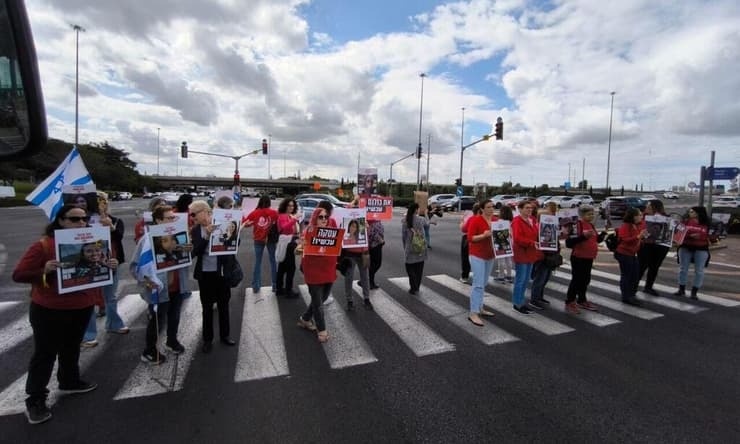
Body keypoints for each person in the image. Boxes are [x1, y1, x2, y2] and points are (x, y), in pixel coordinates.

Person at [13, 204, 108, 424]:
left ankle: (69, 380)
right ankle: (35, 398)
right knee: (45, 354)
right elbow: (19, 274)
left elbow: (97, 270)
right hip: (49, 309)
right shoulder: (44, 245)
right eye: (74, 219)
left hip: (81, 306)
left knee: (71, 347)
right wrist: (43, 270)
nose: (81, 222)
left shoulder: (92, 241)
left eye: (84, 218)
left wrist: (109, 264)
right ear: (61, 221)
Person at [129, 205, 192, 363]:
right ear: (158, 220)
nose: (172, 220)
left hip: (177, 285)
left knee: (175, 316)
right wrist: (146, 281)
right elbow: (136, 266)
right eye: (168, 218)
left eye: (173, 217)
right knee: (158, 320)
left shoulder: (179, 235)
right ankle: (149, 350)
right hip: (159, 288)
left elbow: (184, 260)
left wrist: (188, 250)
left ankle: (172, 341)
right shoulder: (147, 240)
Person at [82, 192, 129, 347]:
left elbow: (118, 237)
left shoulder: (115, 220)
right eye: (97, 203)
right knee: (88, 299)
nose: (101, 205)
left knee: (111, 296)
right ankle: (88, 334)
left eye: (103, 202)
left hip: (111, 263)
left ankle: (114, 324)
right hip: (89, 264)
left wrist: (110, 226)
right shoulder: (83, 222)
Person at [190, 200, 237, 353]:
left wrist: (235, 234)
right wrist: (206, 236)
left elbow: (234, 245)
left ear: (205, 211)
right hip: (204, 274)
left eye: (194, 214)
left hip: (222, 272)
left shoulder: (223, 223)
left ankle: (225, 335)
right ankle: (207, 339)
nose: (192, 217)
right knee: (207, 308)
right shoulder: (196, 230)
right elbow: (194, 252)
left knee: (224, 305)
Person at [297, 203, 338, 343]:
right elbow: (300, 246)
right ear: (315, 218)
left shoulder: (333, 230)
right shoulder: (308, 231)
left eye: (326, 216)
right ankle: (322, 330)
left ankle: (305, 319)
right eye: (321, 217)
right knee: (318, 303)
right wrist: (299, 247)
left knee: (321, 299)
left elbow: (342, 242)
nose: (324, 219)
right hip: (313, 271)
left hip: (328, 270)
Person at [564, 205, 606, 314]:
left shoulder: (591, 225)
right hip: (578, 257)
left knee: (585, 280)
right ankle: (570, 301)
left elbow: (596, 240)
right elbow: (569, 243)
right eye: (589, 214)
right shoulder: (576, 225)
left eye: (592, 214)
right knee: (576, 280)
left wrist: (604, 234)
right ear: (582, 215)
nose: (591, 216)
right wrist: (583, 236)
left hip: (589, 257)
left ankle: (582, 300)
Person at [466, 199, 497, 326]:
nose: (491, 209)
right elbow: (470, 238)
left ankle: (480, 307)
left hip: (490, 255)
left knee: (483, 283)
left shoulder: (495, 221)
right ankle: (473, 313)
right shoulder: (476, 220)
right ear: (482, 209)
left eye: (492, 207)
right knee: (478, 284)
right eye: (488, 207)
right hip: (477, 254)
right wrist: (484, 236)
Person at [511, 200, 541, 314]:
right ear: (520, 209)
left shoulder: (532, 220)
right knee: (520, 280)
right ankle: (517, 303)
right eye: (527, 208)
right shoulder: (516, 221)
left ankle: (521, 301)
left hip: (531, 253)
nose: (530, 210)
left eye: (531, 208)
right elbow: (517, 238)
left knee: (526, 280)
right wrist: (531, 243)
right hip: (521, 253)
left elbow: (537, 233)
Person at [243, 195, 278, 293]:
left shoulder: (255, 212)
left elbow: (245, 223)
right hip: (270, 239)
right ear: (269, 203)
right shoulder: (274, 213)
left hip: (258, 239)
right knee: (273, 262)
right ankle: (275, 285)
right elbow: (278, 223)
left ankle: (255, 286)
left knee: (258, 262)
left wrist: (251, 223)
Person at [674, 206, 710, 300]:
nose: (690, 213)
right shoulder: (685, 222)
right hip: (685, 247)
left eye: (692, 211)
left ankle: (694, 292)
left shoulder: (707, 223)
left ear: (698, 213)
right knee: (683, 268)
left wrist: (701, 236)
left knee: (699, 271)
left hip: (701, 248)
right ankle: (681, 289)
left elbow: (713, 236)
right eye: (690, 211)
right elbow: (677, 234)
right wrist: (688, 236)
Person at [529, 201, 560, 310]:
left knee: (545, 278)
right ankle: (534, 299)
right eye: (547, 216)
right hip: (541, 257)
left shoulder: (549, 227)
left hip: (549, 256)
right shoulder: (537, 227)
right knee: (540, 279)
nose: (550, 218)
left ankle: (540, 297)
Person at [615, 207, 648, 306]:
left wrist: (642, 238)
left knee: (635, 274)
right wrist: (638, 237)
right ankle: (626, 296)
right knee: (627, 275)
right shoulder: (626, 225)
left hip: (632, 254)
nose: (641, 217)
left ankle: (631, 294)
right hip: (624, 253)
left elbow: (636, 239)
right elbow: (625, 239)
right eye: (639, 215)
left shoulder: (635, 225)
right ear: (633, 216)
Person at [637, 199, 670, 296]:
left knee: (654, 267)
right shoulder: (643, 217)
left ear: (655, 207)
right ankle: (633, 286)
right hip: (646, 245)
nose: (646, 207)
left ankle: (648, 287)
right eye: (647, 206)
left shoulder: (666, 218)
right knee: (641, 266)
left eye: (649, 206)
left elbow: (671, 230)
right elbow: (641, 229)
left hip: (661, 246)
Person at [275, 197, 301, 298]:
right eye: (289, 205)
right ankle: (288, 291)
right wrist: (294, 219)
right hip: (287, 243)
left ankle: (279, 289)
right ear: (285, 206)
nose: (291, 207)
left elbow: (294, 230)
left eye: (293, 205)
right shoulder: (283, 216)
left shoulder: (290, 216)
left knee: (283, 267)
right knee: (290, 268)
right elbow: (284, 227)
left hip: (291, 242)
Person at [401, 203, 428, 295]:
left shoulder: (405, 220)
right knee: (419, 269)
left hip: (410, 247)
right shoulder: (421, 219)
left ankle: (413, 286)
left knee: (409, 267)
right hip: (420, 247)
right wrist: (426, 213)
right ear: (416, 210)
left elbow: (403, 236)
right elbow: (427, 222)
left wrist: (405, 246)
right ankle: (417, 286)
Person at [459, 203, 481, 284]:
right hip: (481, 241)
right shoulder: (484, 219)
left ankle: (464, 276)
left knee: (466, 259)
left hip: (469, 240)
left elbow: (464, 229)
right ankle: (479, 276)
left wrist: (461, 221)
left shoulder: (472, 218)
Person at [494, 205, 514, 283]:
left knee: (501, 260)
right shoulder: (511, 221)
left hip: (501, 242)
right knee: (509, 260)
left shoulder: (500, 221)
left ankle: (501, 276)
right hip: (510, 242)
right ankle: (509, 276)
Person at [367, 219, 385, 289]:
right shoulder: (374, 222)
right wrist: (381, 240)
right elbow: (374, 234)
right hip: (375, 245)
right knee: (377, 264)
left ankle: (370, 282)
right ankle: (367, 280)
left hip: (372, 245)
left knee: (372, 264)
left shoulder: (371, 221)